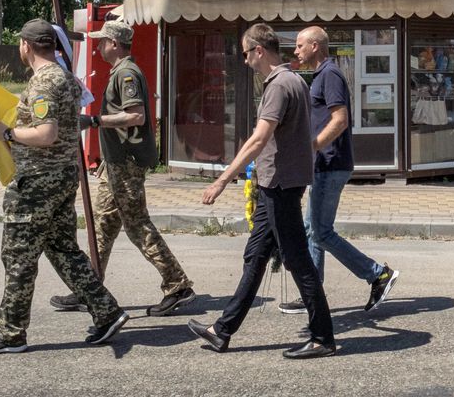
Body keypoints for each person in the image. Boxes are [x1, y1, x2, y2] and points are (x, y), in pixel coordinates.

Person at [0, 19, 128, 355]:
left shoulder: (43, 82)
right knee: (63, 250)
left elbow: (46, 134)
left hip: (38, 184)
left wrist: (8, 134)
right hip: (62, 178)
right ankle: (106, 311)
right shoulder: (65, 78)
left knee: (18, 257)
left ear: (26, 46)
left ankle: (11, 333)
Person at [187, 23, 336, 359]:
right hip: (277, 183)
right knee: (256, 255)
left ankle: (323, 337)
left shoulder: (280, 85)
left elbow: (259, 138)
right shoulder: (293, 80)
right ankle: (221, 331)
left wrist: (223, 179)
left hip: (280, 185)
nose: (243, 61)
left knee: (298, 260)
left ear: (258, 50)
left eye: (244, 53)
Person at [49, 20, 195, 317]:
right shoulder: (120, 71)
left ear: (114, 44)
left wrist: (95, 121)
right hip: (114, 162)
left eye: (103, 42)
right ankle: (88, 288)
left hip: (126, 163)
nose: (100, 46)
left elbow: (136, 116)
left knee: (137, 225)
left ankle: (177, 285)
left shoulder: (127, 73)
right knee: (102, 226)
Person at [277, 25, 399, 315]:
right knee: (312, 229)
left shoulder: (330, 74)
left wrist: (312, 147)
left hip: (331, 164)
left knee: (321, 233)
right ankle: (313, 293)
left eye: (299, 45)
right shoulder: (320, 75)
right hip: (324, 164)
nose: (295, 51)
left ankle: (377, 274)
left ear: (315, 46)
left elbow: (340, 119)